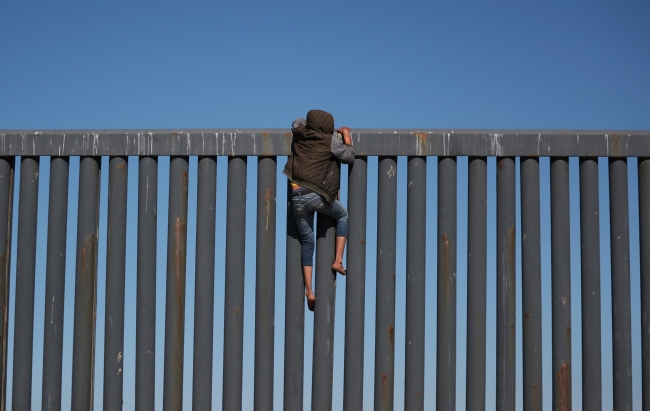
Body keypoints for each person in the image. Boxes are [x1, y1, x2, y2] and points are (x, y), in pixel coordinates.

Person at [283, 109, 355, 311]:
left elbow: (296, 121)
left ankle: (309, 291)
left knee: (308, 243)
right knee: (343, 215)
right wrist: (346, 136)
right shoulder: (328, 141)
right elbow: (349, 156)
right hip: (316, 194)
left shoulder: (301, 133)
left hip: (297, 196)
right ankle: (338, 261)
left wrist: (303, 123)